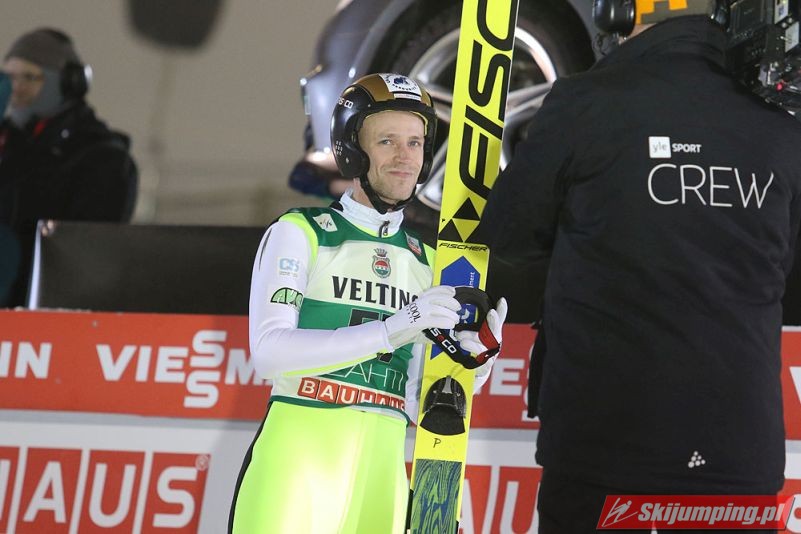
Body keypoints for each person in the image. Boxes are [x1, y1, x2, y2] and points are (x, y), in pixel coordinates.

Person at [479, 1, 801, 532]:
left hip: (604, 453)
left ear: (623, 12)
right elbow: (785, 268)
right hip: (738, 457)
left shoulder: (586, 104)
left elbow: (507, 235)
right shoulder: (781, 129)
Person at [229, 73, 507, 534]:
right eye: (387, 141)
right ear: (352, 152)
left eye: (415, 143)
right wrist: (390, 330)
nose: (405, 156)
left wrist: (471, 367)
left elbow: (417, 399)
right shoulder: (301, 232)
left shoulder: (430, 262)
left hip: (382, 478)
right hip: (295, 474)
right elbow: (269, 352)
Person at [0, 28, 138, 307]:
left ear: (67, 83)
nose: (16, 88)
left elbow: (87, 256)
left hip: (47, 313)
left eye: (29, 77)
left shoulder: (102, 158)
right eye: (9, 77)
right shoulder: (8, 143)